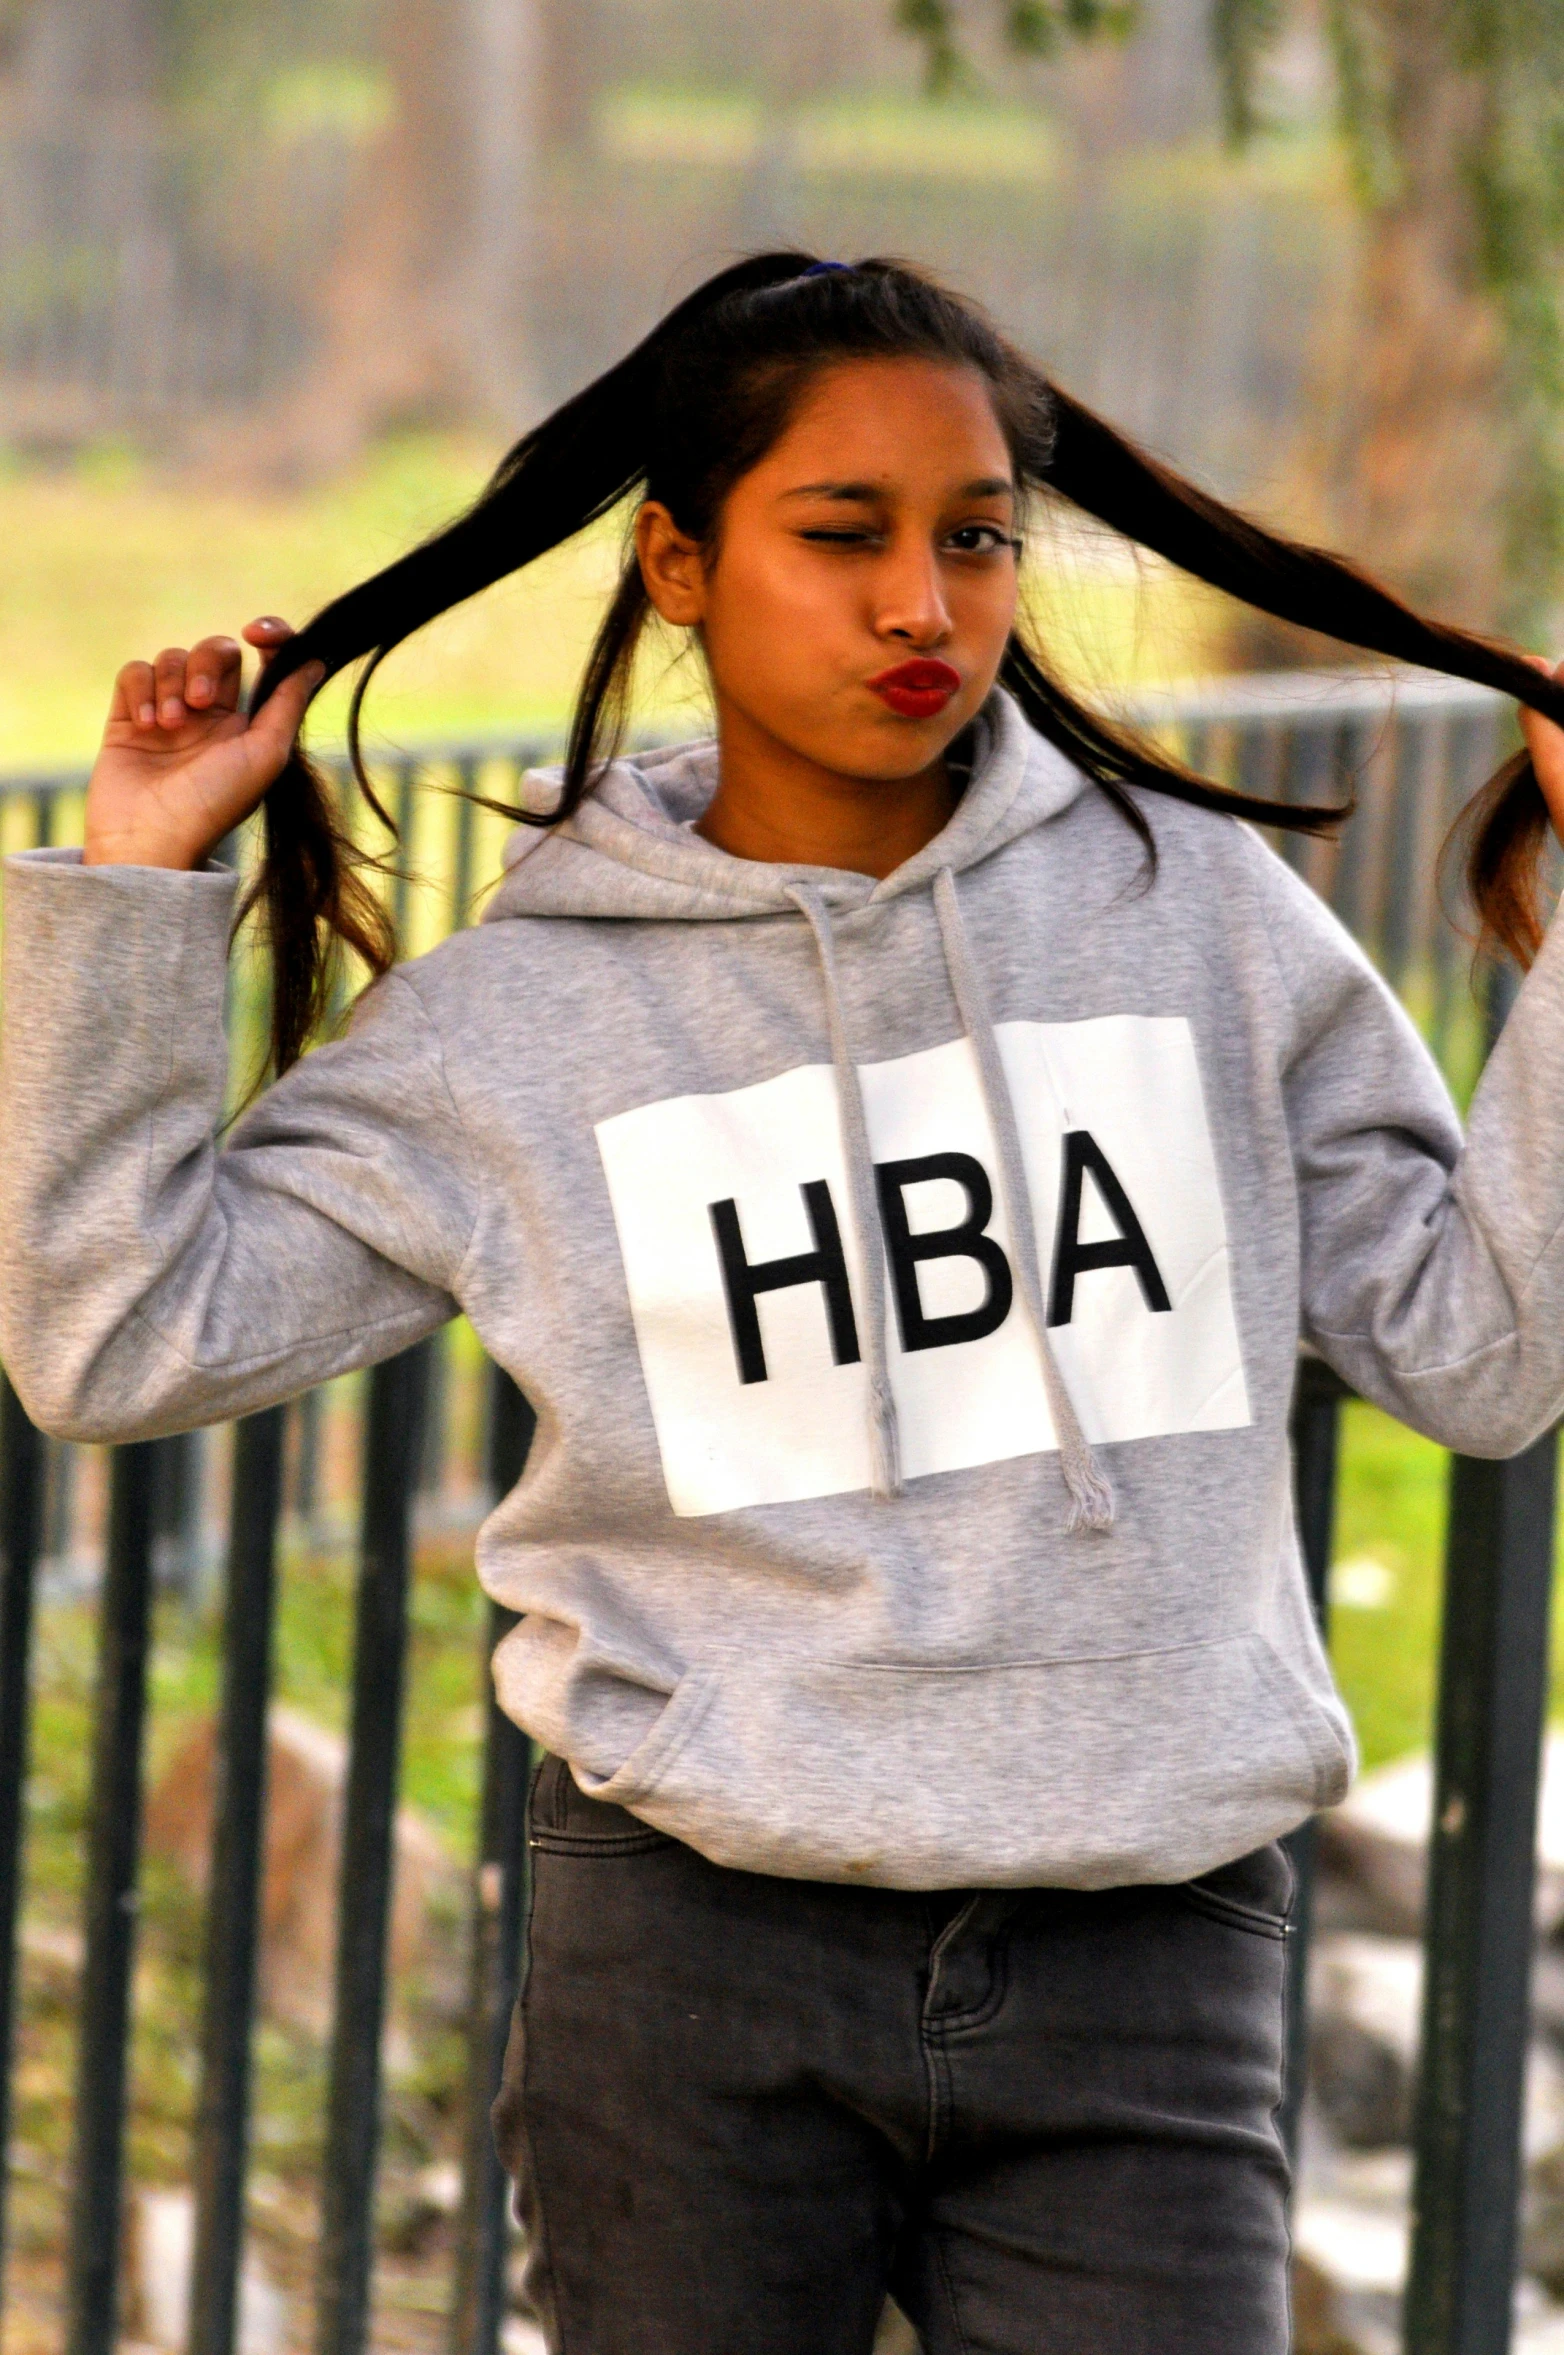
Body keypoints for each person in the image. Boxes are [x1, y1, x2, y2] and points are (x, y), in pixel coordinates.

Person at [5, 253, 1564, 2354]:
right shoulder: (520, 1019)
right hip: (689, 1962)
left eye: (974, 538)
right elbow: (116, 1336)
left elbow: (1479, 1355)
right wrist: (135, 879)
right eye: (840, 536)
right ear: (674, 561)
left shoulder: (1193, 917)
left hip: (1142, 1956)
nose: (921, 604)